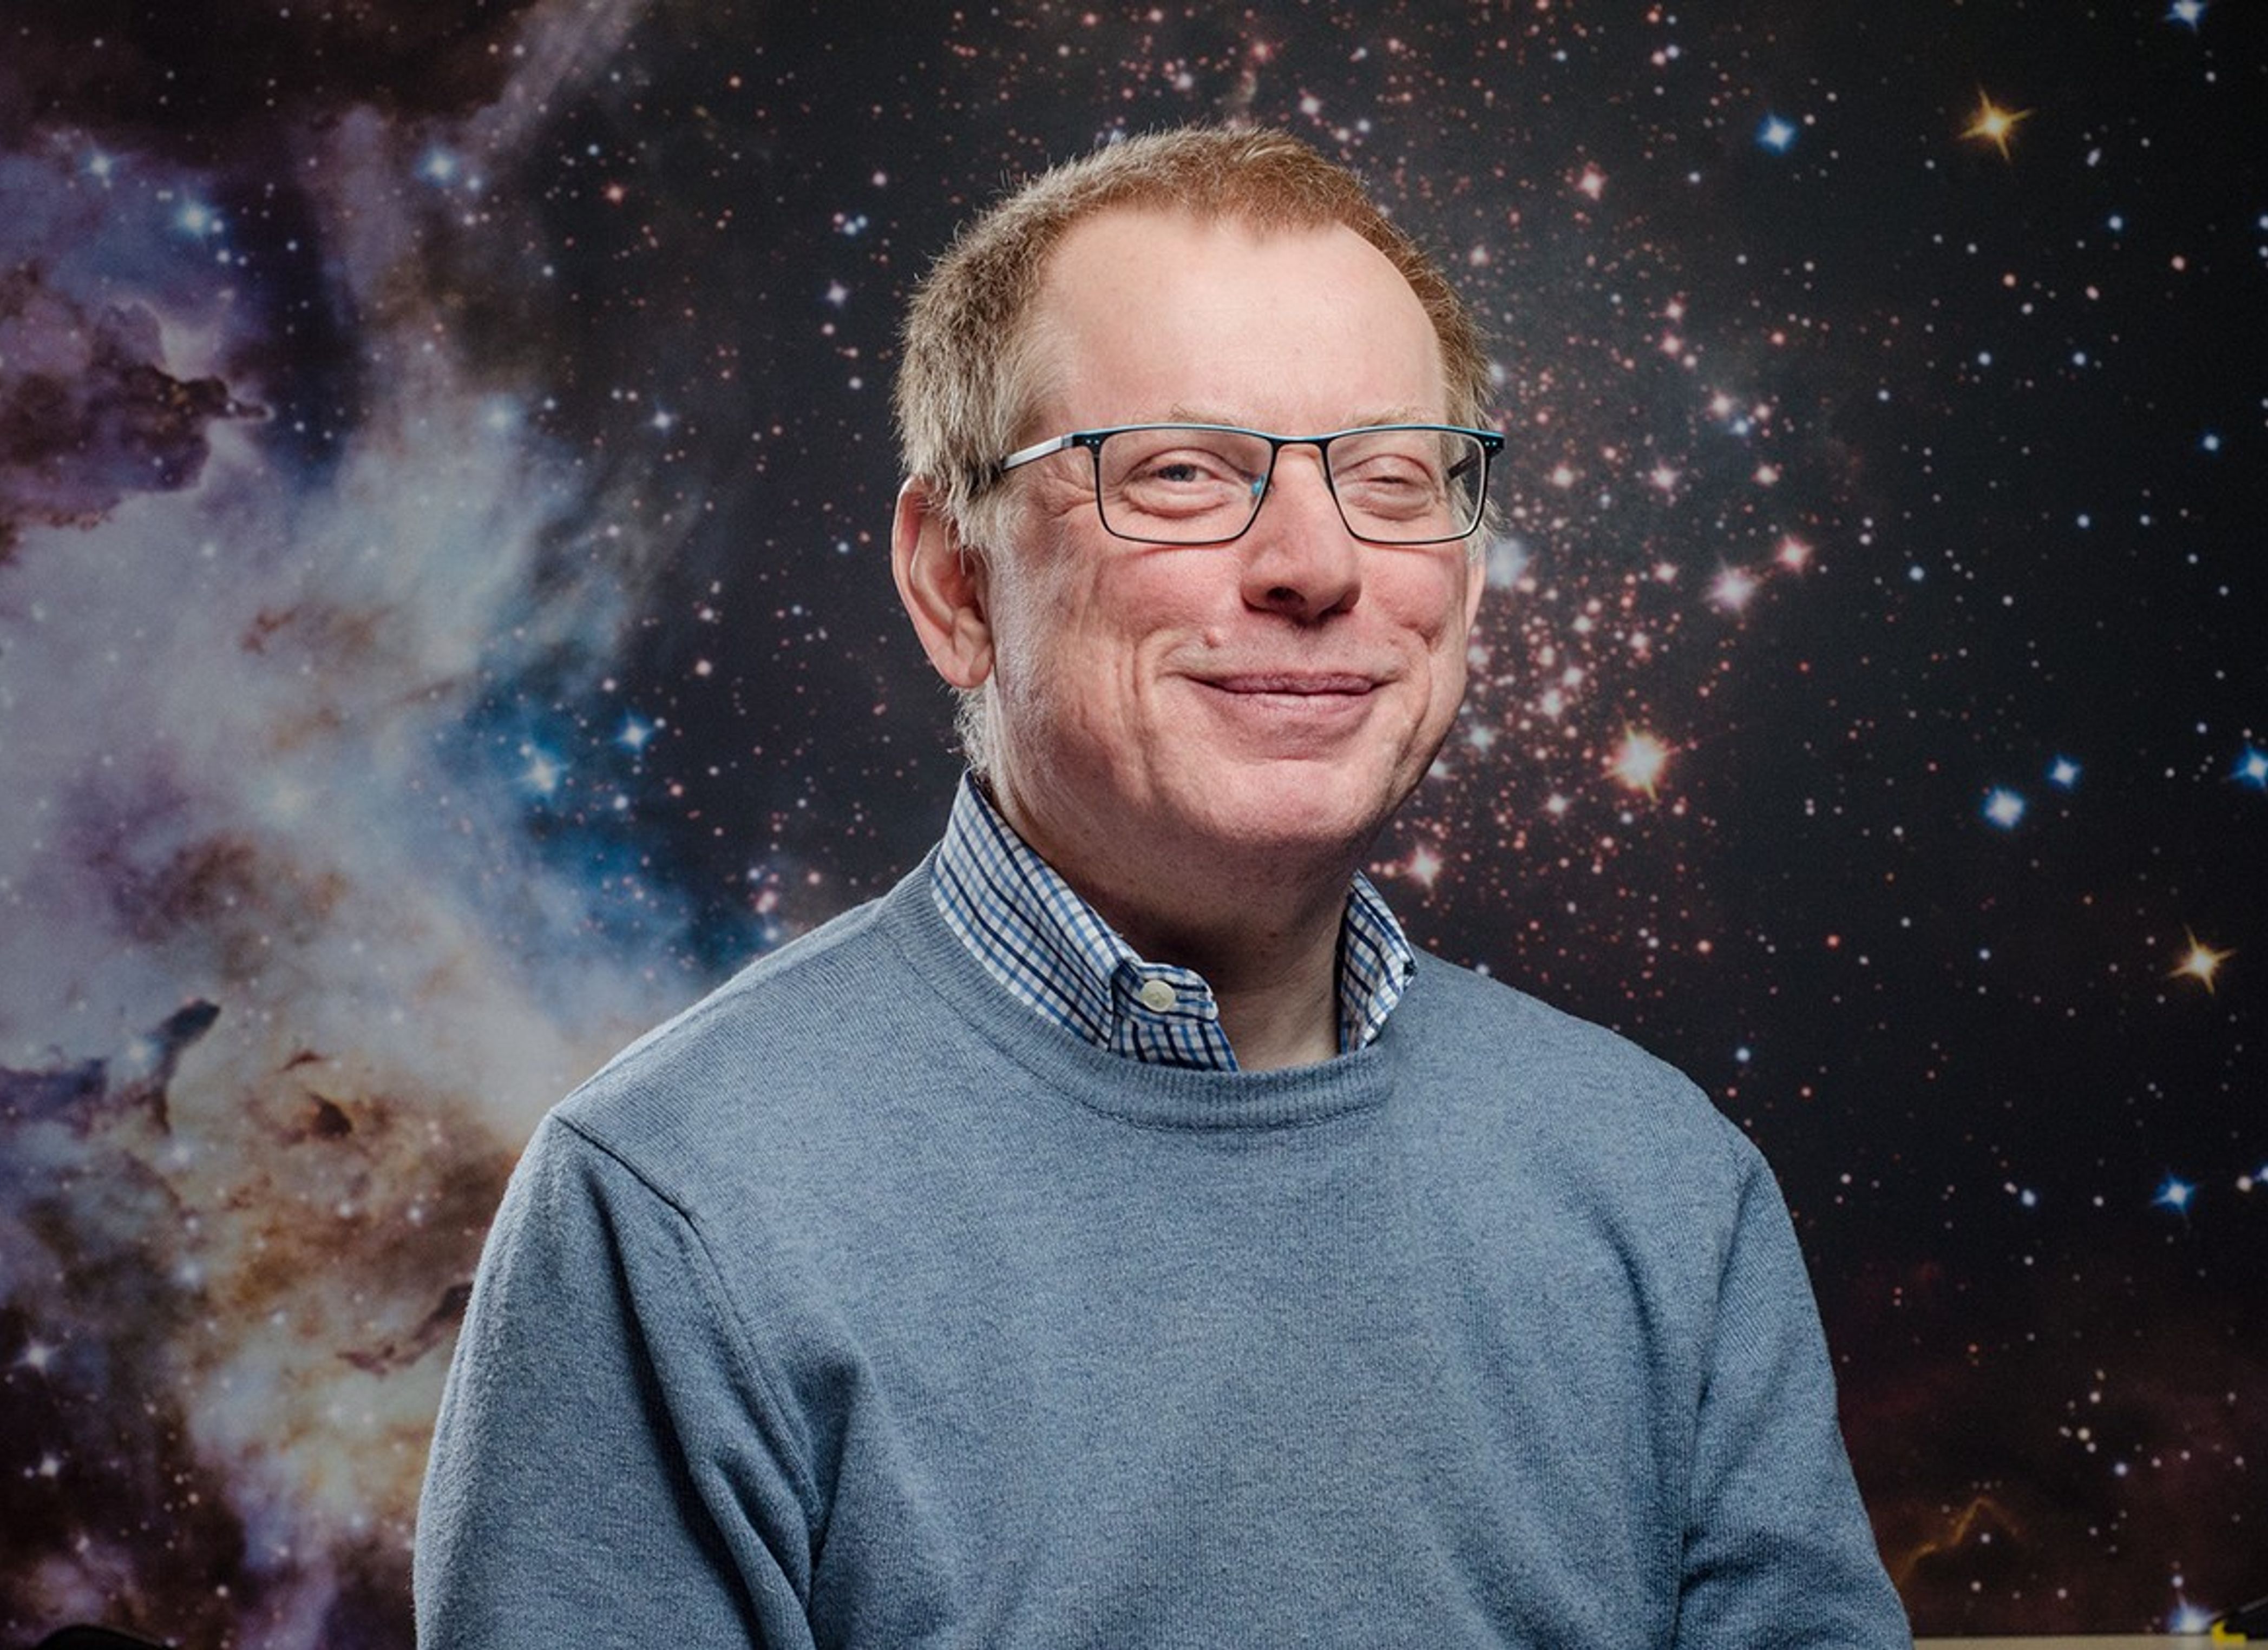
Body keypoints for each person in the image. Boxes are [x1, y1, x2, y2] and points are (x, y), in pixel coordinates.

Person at [413, 126, 1912, 1647]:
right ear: (954, 582)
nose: (1314, 563)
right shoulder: (674, 1212)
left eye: (1394, 477)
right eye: (1186, 473)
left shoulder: (1663, 1189)